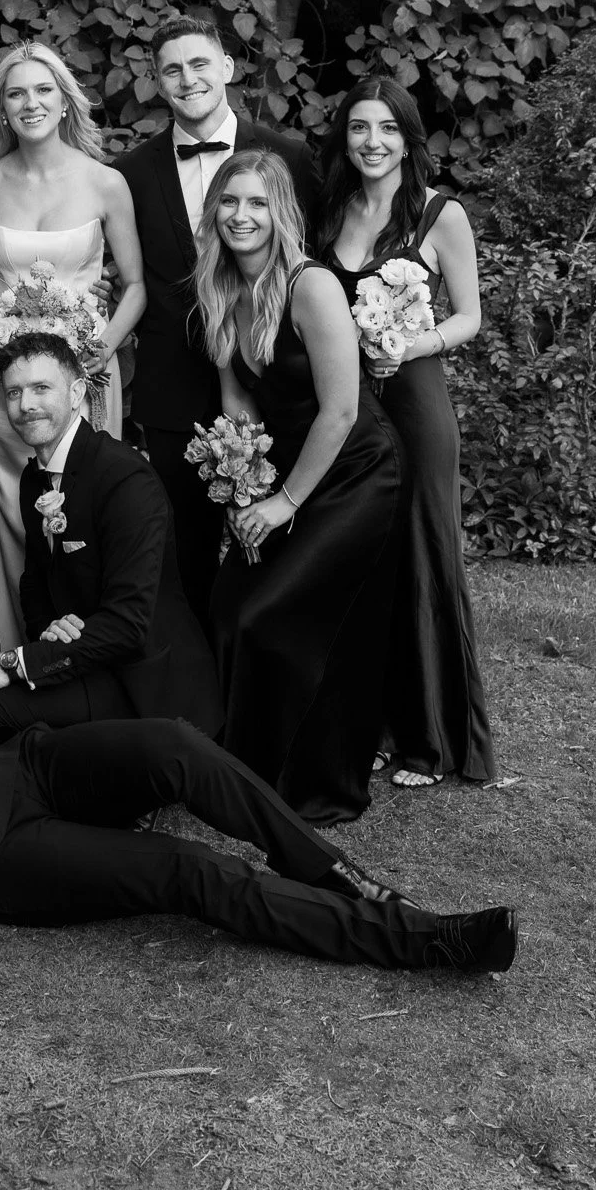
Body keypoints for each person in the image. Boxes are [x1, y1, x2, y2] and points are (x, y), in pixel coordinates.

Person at [0, 572, 518, 977]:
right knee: (188, 873)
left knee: (173, 743)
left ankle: (352, 884)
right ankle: (424, 942)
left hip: (21, 766)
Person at [196, 152, 405, 824]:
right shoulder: (220, 288)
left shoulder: (308, 285)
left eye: (255, 203)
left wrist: (283, 504)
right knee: (229, 605)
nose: (240, 216)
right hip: (282, 474)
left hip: (353, 473)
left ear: (279, 212)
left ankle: (314, 782)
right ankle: (237, 774)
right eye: (228, 202)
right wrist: (241, 486)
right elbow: (238, 404)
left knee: (274, 614)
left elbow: (341, 411)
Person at [317, 79, 497, 790]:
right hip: (348, 407)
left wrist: (412, 344)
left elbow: (468, 316)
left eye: (386, 129)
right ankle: (369, 728)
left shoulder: (438, 213)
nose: (371, 142)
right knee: (361, 560)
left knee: (422, 556)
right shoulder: (329, 211)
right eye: (358, 128)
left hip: (415, 405)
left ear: (408, 139)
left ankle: (428, 740)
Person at [119, 16, 318, 624]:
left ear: (228, 69)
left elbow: (314, 261)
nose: (188, 78)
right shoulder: (129, 173)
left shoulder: (289, 156)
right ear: (156, 82)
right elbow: (126, 275)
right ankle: (195, 695)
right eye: (172, 69)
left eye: (200, 63)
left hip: (270, 380)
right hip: (173, 389)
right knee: (185, 561)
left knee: (282, 556)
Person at [0, 334, 220, 736]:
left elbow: (128, 625)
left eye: (42, 388)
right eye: (14, 392)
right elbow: (36, 582)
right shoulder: (32, 479)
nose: (26, 405)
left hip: (142, 685)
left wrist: (15, 663)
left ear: (76, 393)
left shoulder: (125, 478)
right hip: (80, 660)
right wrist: (49, 634)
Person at [0, 41, 145, 646]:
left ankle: (89, 647)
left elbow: (138, 286)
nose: (30, 102)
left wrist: (105, 347)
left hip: (85, 374)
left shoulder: (106, 183)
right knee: (17, 516)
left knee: (85, 508)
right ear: (2, 107)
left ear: (65, 100)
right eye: (16, 92)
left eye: (43, 89)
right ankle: (16, 649)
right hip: (5, 383)